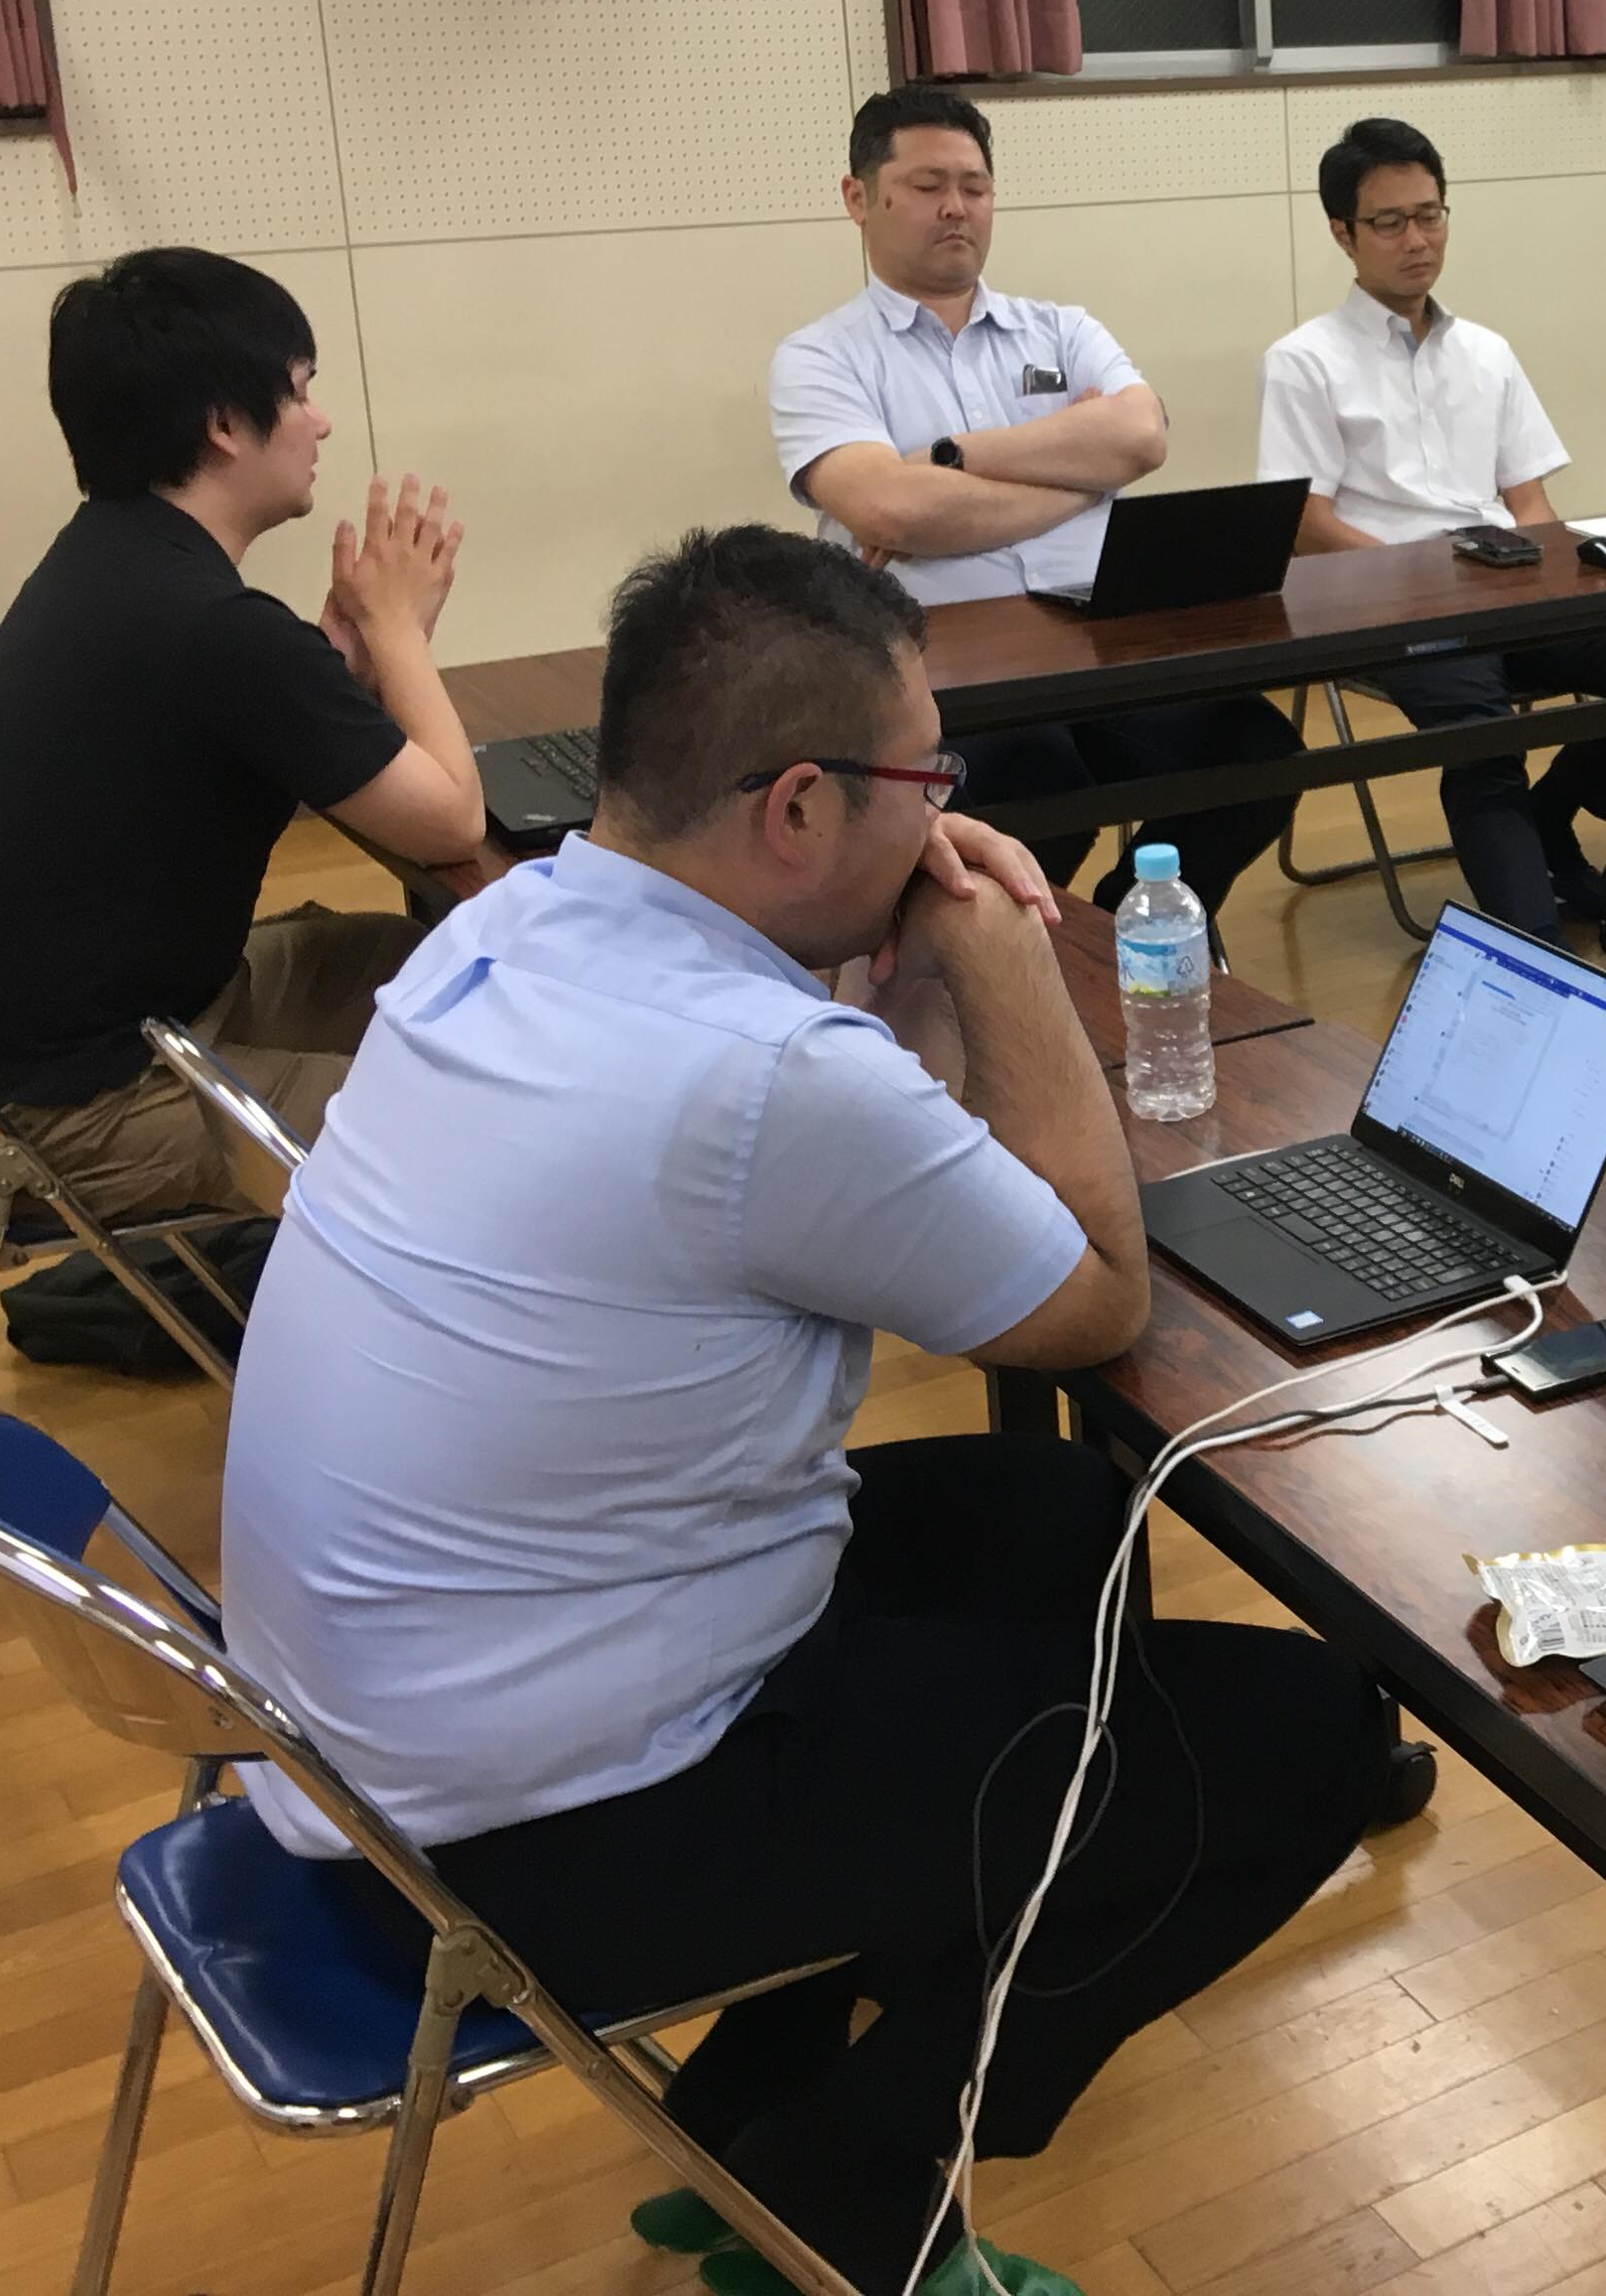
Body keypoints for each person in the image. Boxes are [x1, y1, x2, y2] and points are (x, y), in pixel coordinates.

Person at [221, 527, 1387, 2296]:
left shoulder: (519, 921)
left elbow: (860, 1174)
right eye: (927, 783)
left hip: (368, 1743)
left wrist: (901, 990)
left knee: (1062, 1520)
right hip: (529, 1840)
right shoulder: (761, 1074)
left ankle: (765, 2105)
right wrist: (1002, 955)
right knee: (1305, 1736)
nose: (944, 819)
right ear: (795, 806)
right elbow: (1093, 1294)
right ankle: (842, 2195)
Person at [0, 247, 482, 1225]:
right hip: (83, 1112)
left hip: (57, 1045)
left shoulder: (111, 557)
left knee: (444, 968)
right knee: (487, 1113)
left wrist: (336, 664)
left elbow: (220, 722)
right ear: (224, 424)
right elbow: (453, 821)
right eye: (299, 390)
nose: (320, 421)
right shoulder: (212, 626)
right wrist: (395, 630)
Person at [772, 87, 1298, 914]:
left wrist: (949, 460)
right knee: (1036, 778)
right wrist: (1085, 474)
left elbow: (1143, 436)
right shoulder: (819, 358)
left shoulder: (1061, 328)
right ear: (858, 198)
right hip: (943, 675)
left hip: (1097, 646)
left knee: (1256, 751)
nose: (956, 207)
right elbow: (891, 510)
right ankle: (1015, 958)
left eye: (975, 187)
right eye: (927, 186)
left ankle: (1126, 928)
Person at [1260, 117, 1606, 942]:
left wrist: (1554, 582)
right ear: (1342, 233)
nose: (1417, 239)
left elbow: (1530, 505)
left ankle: (1552, 816)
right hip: (1386, 607)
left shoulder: (1486, 352)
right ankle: (1535, 956)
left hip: (1504, 589)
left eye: (1430, 215)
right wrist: (1427, 582)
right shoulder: (1305, 360)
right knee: (1484, 736)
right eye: (1389, 222)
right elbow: (1307, 528)